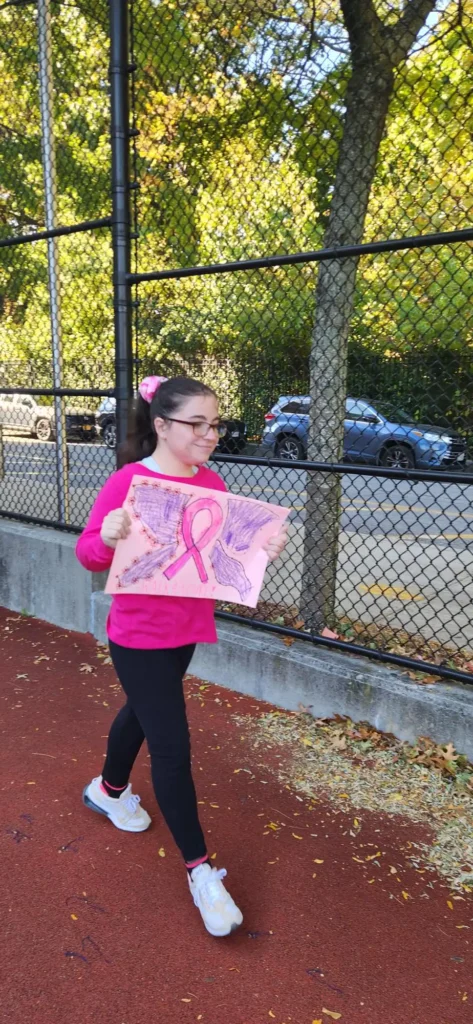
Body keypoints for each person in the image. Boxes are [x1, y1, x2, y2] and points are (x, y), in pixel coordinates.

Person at [76, 375, 287, 937]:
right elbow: (88, 554)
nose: (210, 433)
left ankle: (109, 789)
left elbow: (221, 553)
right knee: (172, 745)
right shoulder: (128, 480)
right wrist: (109, 534)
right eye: (197, 423)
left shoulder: (212, 481)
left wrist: (259, 547)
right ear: (162, 426)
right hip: (137, 635)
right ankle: (201, 873)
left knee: (142, 714)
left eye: (214, 423)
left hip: (185, 631)